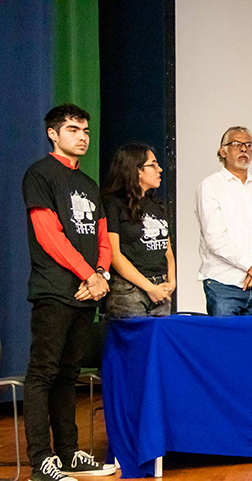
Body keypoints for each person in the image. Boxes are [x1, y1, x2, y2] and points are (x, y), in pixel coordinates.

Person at [22, 104, 117, 480]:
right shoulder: (40, 175)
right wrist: (88, 274)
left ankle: (68, 452)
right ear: (53, 133)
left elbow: (102, 237)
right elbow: (49, 235)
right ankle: (41, 461)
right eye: (74, 129)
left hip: (87, 291)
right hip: (55, 290)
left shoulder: (90, 185)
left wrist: (101, 275)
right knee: (43, 374)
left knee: (69, 375)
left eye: (86, 131)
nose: (83, 137)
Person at [195, 126, 252, 316]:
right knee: (226, 344)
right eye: (236, 144)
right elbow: (215, 238)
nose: (244, 149)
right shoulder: (210, 186)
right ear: (222, 151)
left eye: (248, 145)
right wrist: (251, 266)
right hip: (223, 283)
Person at [102, 144, 176, 318]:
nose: (160, 169)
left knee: (157, 344)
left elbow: (167, 250)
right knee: (134, 343)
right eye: (153, 165)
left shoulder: (157, 205)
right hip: (129, 290)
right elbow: (114, 255)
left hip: (161, 288)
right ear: (136, 170)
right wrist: (149, 287)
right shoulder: (113, 203)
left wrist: (171, 281)